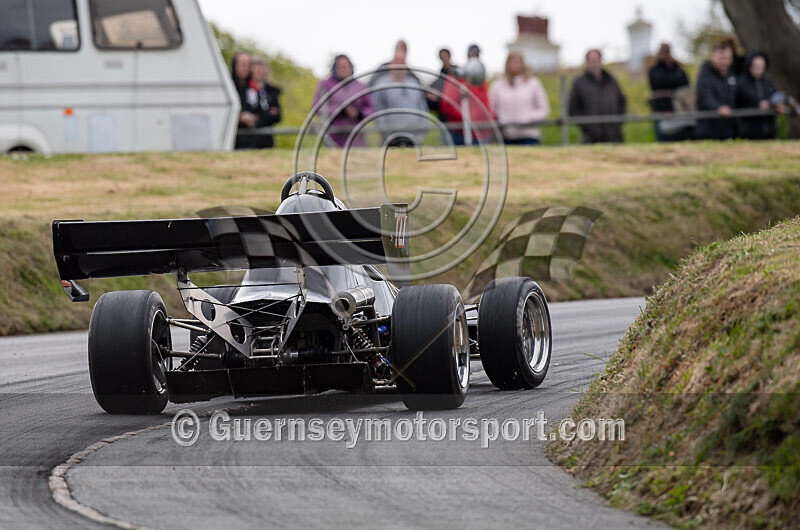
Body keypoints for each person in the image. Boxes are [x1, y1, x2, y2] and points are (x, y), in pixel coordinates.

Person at [312, 54, 375, 147]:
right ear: (334, 68)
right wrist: (339, 111)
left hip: (356, 137)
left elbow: (371, 109)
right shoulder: (326, 85)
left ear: (351, 67)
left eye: (346, 66)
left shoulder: (360, 87)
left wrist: (358, 114)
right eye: (340, 66)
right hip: (333, 136)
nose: (343, 69)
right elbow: (317, 107)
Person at [489, 51, 550, 145]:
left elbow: (544, 109)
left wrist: (528, 118)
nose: (515, 65)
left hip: (529, 136)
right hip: (506, 136)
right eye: (512, 61)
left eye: (518, 62)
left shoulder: (533, 84)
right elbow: (491, 108)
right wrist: (501, 120)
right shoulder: (497, 85)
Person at [372, 51, 430, 147]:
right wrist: (387, 135)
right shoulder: (382, 84)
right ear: (391, 65)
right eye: (397, 63)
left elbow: (422, 108)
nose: (400, 66)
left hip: (414, 138)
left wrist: (421, 134)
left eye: (403, 63)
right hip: (391, 140)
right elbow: (378, 111)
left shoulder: (414, 83)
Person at [438, 44, 494, 145]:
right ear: (467, 55)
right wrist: (467, 119)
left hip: (480, 133)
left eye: (476, 54)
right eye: (472, 54)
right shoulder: (458, 75)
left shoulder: (481, 79)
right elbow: (447, 104)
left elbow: (486, 104)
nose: (474, 57)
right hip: (460, 133)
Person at [568, 49, 626, 143]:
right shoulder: (579, 83)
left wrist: (618, 124)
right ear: (587, 62)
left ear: (601, 61)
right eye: (591, 60)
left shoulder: (611, 80)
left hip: (614, 136)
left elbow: (622, 102)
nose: (594, 63)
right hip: (590, 138)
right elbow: (573, 108)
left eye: (596, 60)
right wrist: (587, 127)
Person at [235, 56, 281, 149]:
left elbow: (277, 115)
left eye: (262, 68)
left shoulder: (271, 92)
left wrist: (257, 119)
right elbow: (243, 110)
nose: (259, 71)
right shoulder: (242, 89)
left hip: (266, 141)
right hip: (244, 141)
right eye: (256, 68)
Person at [696, 37, 738, 140]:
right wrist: (718, 108)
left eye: (726, 58)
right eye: (720, 57)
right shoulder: (705, 74)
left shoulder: (732, 76)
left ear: (731, 59)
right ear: (713, 56)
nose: (723, 61)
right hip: (709, 130)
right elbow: (705, 95)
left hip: (729, 130)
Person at [736, 51, 784, 140]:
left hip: (769, 130)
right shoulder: (741, 83)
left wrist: (777, 104)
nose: (759, 69)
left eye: (761, 66)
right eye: (756, 66)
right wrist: (757, 105)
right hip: (749, 132)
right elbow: (741, 101)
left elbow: (775, 96)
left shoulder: (768, 82)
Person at [648, 43, 691, 141]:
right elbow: (659, 84)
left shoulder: (678, 68)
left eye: (668, 51)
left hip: (679, 110)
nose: (666, 54)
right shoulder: (654, 70)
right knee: (663, 141)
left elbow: (686, 85)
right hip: (661, 110)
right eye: (664, 51)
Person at [231, 51, 260, 143]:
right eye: (242, 64)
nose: (245, 68)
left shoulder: (254, 86)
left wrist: (255, 119)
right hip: (232, 139)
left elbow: (264, 111)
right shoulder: (228, 86)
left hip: (251, 139)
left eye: (247, 65)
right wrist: (238, 117)